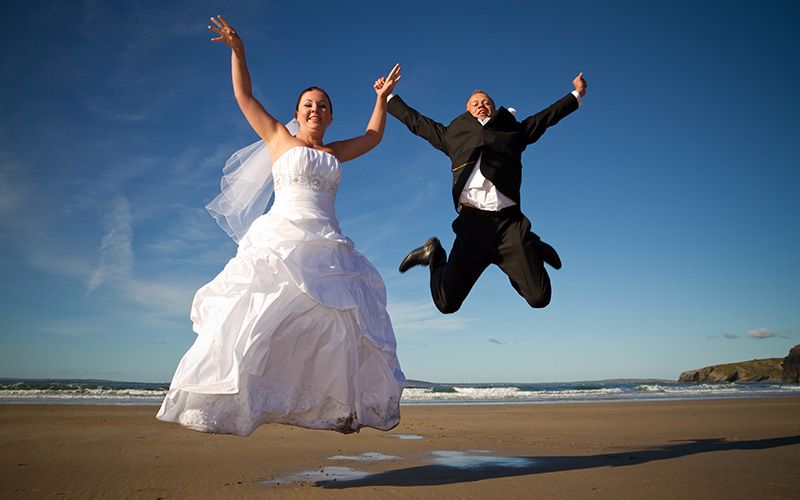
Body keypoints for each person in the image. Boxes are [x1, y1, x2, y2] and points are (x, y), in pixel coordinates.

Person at [157, 16, 404, 436]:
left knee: (337, 323)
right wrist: (238, 51)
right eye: (308, 104)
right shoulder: (277, 138)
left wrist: (382, 99)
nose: (315, 109)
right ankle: (242, 394)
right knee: (260, 313)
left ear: (330, 116)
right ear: (297, 113)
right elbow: (244, 96)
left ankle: (329, 404)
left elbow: (373, 137)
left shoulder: (334, 152)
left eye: (322, 105)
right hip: (283, 236)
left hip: (327, 242)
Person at [388, 74, 587, 313]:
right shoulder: (453, 135)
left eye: (486, 102)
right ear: (467, 112)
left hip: (509, 225)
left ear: (494, 108)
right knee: (447, 303)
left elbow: (546, 117)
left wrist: (576, 95)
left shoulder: (513, 132)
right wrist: (388, 98)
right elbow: (417, 123)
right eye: (475, 103)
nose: (481, 105)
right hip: (472, 226)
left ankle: (529, 245)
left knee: (539, 298)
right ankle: (434, 254)